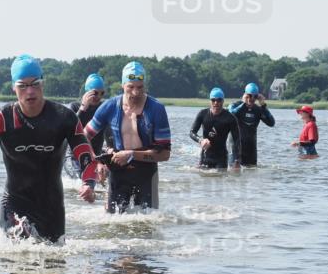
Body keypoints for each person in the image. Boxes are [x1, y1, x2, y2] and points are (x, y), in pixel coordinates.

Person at [0, 55, 97, 242]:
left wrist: (88, 183)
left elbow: (85, 155)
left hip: (52, 207)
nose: (30, 91)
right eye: (22, 86)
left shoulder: (64, 117)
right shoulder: (0, 119)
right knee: (21, 242)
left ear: (42, 84)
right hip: (14, 203)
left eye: (35, 84)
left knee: (53, 258)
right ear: (14, 88)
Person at [85, 61, 171, 213]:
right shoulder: (110, 106)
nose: (136, 92)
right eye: (131, 87)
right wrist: (97, 162)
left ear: (145, 86)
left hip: (146, 173)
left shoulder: (157, 109)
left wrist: (131, 154)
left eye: (140, 87)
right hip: (117, 170)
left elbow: (165, 154)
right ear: (122, 85)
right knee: (112, 220)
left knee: (149, 220)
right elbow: (83, 137)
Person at [68, 73, 113, 173]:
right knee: (81, 180)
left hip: (96, 155)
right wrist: (83, 108)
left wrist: (110, 148)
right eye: (95, 93)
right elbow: (70, 128)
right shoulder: (74, 107)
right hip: (76, 156)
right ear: (87, 91)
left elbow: (109, 132)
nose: (99, 96)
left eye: (102, 93)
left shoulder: (103, 108)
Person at [190, 87, 241, 171]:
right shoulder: (202, 114)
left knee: (220, 177)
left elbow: (237, 141)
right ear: (210, 101)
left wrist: (237, 160)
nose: (216, 103)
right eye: (213, 100)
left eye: (219, 100)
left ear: (223, 101)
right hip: (205, 156)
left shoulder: (230, 118)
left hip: (221, 158)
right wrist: (201, 140)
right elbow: (192, 132)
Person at [228, 82, 274, 167]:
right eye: (249, 96)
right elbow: (230, 114)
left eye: (254, 97)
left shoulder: (258, 110)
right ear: (245, 95)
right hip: (235, 147)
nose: (251, 99)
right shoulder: (235, 105)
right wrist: (243, 104)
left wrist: (263, 105)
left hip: (251, 148)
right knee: (234, 170)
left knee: (251, 170)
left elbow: (271, 123)